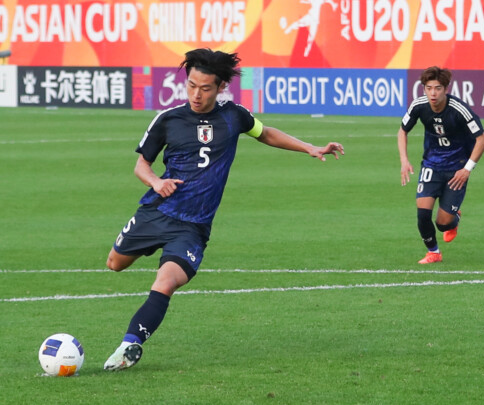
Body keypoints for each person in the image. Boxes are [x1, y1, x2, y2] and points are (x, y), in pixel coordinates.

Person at [103, 48, 344, 370]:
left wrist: (309, 147)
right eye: (191, 85)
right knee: (115, 264)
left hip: (193, 227)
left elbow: (266, 133)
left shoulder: (233, 116)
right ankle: (131, 329)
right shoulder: (168, 119)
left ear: (220, 88)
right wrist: (155, 182)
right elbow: (141, 165)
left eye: (205, 88)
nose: (196, 94)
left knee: (166, 282)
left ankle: (129, 345)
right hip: (156, 212)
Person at [397, 66, 484, 264]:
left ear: (446, 88)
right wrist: (404, 160)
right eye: (429, 88)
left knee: (443, 224)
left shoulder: (459, 110)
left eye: (437, 88)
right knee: (422, 213)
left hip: (457, 168)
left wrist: (467, 169)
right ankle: (434, 252)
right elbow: (402, 131)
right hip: (431, 165)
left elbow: (482, 139)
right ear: (424, 88)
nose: (433, 93)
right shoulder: (419, 106)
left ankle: (454, 217)